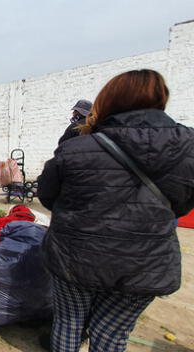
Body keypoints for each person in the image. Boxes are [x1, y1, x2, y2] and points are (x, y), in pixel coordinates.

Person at [37, 69, 194, 352]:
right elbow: (182, 205)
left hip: (76, 257)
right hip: (145, 264)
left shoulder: (77, 147)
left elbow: (47, 196)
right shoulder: (189, 148)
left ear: (109, 101)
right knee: (111, 332)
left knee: (69, 323)